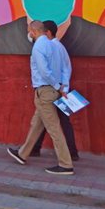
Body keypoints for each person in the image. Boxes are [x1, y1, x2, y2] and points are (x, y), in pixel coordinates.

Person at [7, 20, 74, 175]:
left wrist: (58, 87)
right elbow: (65, 68)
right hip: (53, 91)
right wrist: (63, 87)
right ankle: (23, 154)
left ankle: (66, 164)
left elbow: (44, 72)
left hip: (45, 91)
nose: (29, 34)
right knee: (36, 124)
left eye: (30, 31)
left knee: (54, 129)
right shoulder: (55, 45)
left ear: (34, 31)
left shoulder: (38, 46)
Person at [30, 20, 79, 161]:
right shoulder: (56, 46)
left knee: (56, 122)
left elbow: (63, 69)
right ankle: (34, 148)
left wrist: (62, 88)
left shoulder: (54, 47)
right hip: (59, 89)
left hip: (55, 89)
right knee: (50, 120)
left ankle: (69, 154)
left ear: (48, 33)